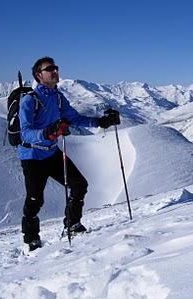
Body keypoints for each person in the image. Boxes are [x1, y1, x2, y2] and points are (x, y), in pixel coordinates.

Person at [18, 56, 120, 252]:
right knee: (35, 199)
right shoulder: (30, 101)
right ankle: (31, 239)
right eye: (50, 69)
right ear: (39, 75)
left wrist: (101, 122)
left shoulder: (57, 97)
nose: (55, 71)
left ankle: (72, 225)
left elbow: (73, 118)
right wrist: (48, 132)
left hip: (51, 153)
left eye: (56, 68)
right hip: (32, 157)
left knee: (79, 184)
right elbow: (25, 132)